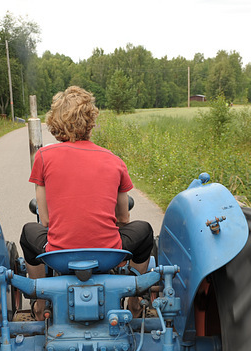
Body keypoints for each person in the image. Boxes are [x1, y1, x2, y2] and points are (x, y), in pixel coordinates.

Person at [19, 86, 154, 319]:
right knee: (145, 232)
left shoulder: (42, 157)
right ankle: (135, 301)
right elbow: (123, 218)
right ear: (91, 120)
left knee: (27, 232)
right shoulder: (114, 160)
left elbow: (46, 220)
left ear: (55, 122)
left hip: (59, 256)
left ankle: (41, 304)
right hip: (109, 254)